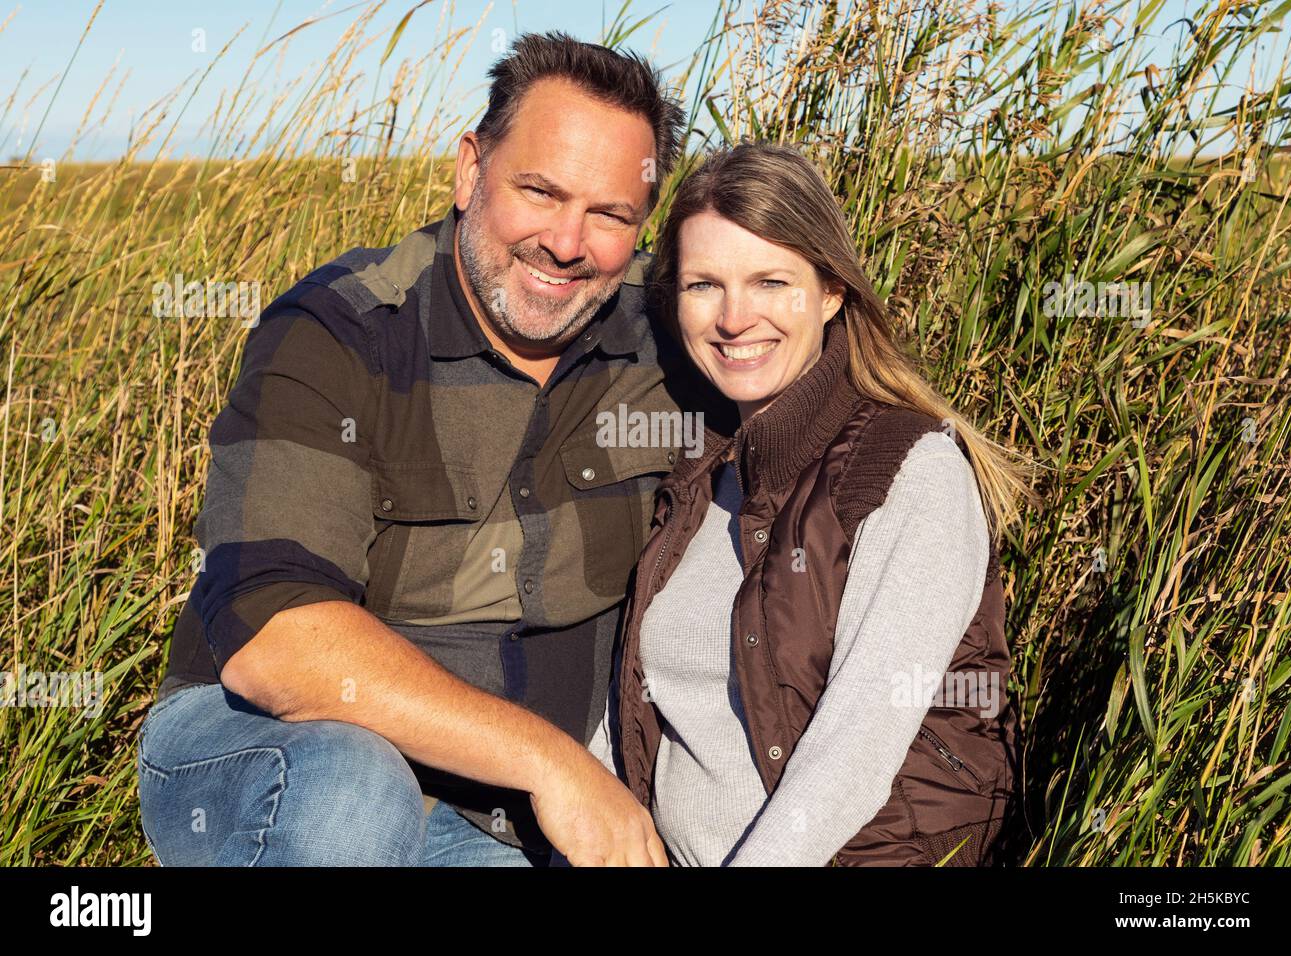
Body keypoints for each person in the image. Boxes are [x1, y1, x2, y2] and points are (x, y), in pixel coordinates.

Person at [137, 31, 713, 867]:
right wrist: (555, 766)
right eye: (541, 191)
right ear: (470, 169)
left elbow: (829, 413)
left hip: (498, 815)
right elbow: (277, 640)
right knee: (353, 792)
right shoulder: (341, 330)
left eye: (610, 215)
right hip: (275, 749)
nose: (566, 242)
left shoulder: (673, 335)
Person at [582, 142, 1033, 866]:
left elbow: (853, 751)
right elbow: (636, 699)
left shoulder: (910, 470)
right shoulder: (703, 468)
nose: (735, 318)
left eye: (771, 282)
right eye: (704, 286)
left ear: (831, 291)